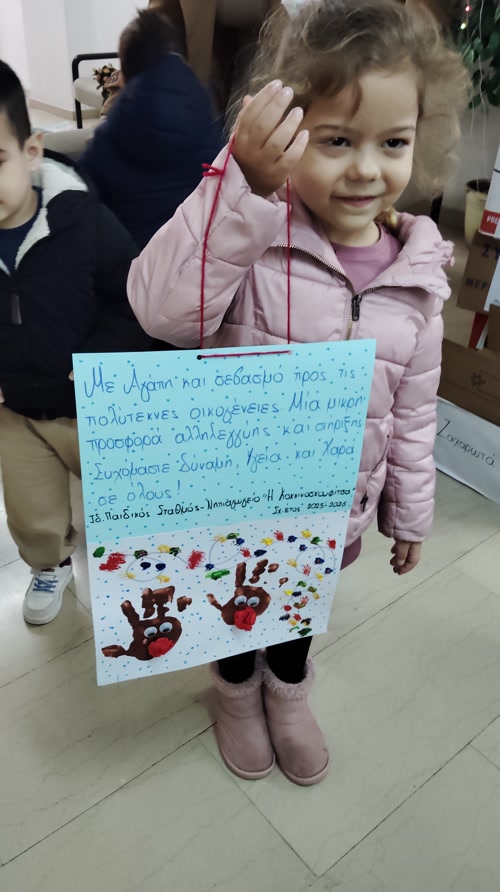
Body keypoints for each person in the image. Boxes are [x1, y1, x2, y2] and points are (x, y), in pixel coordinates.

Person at [128, 0, 469, 785]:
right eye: (336, 140)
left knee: (296, 614)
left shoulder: (418, 276)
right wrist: (238, 186)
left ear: (421, 138)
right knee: (233, 606)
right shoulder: (255, 232)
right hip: (239, 498)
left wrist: (409, 511)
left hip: (332, 508)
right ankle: (234, 692)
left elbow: (415, 409)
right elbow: (161, 310)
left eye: (393, 142)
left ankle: (286, 692)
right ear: (286, 132)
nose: (366, 168)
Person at [0, 61, 151, 625]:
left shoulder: (84, 220)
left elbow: (133, 300)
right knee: (31, 508)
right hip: (14, 410)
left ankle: (138, 560)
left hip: (90, 402)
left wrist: (102, 356)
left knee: (125, 494)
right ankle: (50, 564)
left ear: (31, 151)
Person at [80, 8, 222, 250]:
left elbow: (83, 194)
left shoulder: (111, 133)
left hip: (132, 261)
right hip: (200, 257)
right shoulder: (208, 111)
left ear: (125, 75)